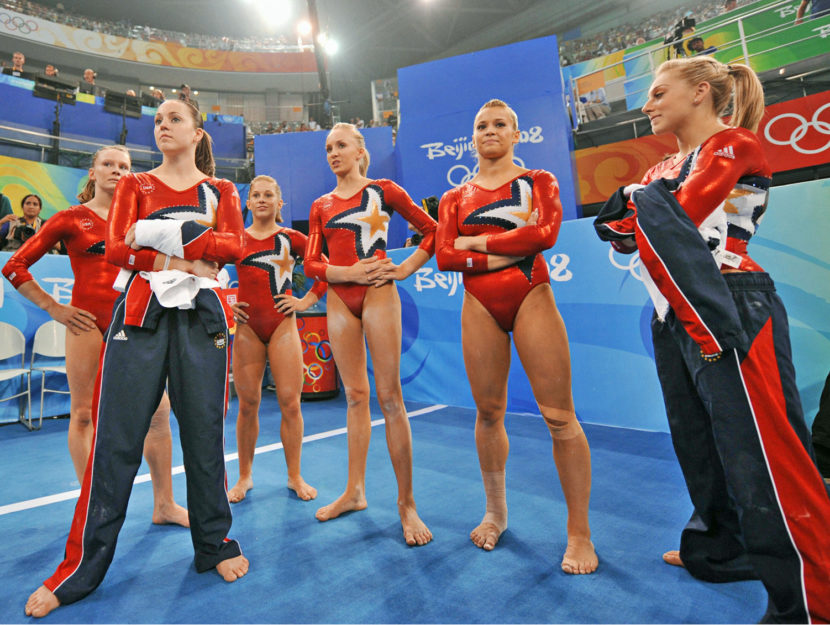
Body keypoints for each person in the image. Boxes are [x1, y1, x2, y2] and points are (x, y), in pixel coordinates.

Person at [594, 56, 830, 623]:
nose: (645, 105)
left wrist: (637, 206)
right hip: (671, 310)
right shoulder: (662, 167)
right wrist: (636, 209)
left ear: (700, 92)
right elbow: (624, 236)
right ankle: (725, 549)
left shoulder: (736, 145)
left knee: (766, 455)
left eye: (656, 92)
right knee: (697, 443)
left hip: (733, 305)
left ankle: (810, 599)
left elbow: (675, 214)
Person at [24, 99, 249, 619]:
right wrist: (186, 255)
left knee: (203, 434)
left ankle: (214, 544)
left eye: (175, 119)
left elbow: (234, 248)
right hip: (139, 314)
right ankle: (80, 568)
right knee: (115, 439)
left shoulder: (223, 190)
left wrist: (154, 236)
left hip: (204, 318)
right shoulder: (136, 185)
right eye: (158, 120)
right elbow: (118, 248)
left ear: (197, 133)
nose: (163, 125)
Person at [435, 99, 597, 575]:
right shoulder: (453, 199)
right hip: (479, 304)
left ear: (516, 134)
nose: (490, 130)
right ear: (473, 136)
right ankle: (495, 511)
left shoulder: (537, 182)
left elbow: (545, 235)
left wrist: (476, 242)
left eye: (500, 124)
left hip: (531, 296)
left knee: (559, 417)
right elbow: (445, 256)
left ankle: (580, 532)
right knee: (488, 412)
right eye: (481, 124)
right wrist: (507, 249)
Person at [2, 145, 188, 524]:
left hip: (134, 323)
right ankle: (94, 505)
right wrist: (55, 309)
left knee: (158, 415)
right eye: (107, 164)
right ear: (92, 171)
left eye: (124, 166)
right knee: (84, 416)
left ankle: (164, 504)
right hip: (87, 325)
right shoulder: (72, 219)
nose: (116, 171)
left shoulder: (143, 222)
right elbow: (16, 265)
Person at [304, 122, 436, 546]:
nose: (333, 153)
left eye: (341, 145)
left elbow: (433, 231)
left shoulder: (383, 191)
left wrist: (405, 267)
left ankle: (406, 504)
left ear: (361, 151)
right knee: (355, 396)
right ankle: (354, 491)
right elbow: (311, 263)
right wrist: (347, 273)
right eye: (328, 148)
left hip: (379, 293)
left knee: (390, 397)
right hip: (342, 300)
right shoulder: (321, 205)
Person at [228, 174, 325, 503]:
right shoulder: (236, 239)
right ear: (248, 201)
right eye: (256, 194)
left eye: (269, 194)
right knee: (248, 405)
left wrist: (305, 301)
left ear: (280, 203)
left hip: (283, 325)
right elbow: (204, 272)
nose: (262, 199)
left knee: (290, 402)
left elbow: (324, 269)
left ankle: (295, 475)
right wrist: (227, 306)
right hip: (247, 329)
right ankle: (244, 476)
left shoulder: (292, 238)